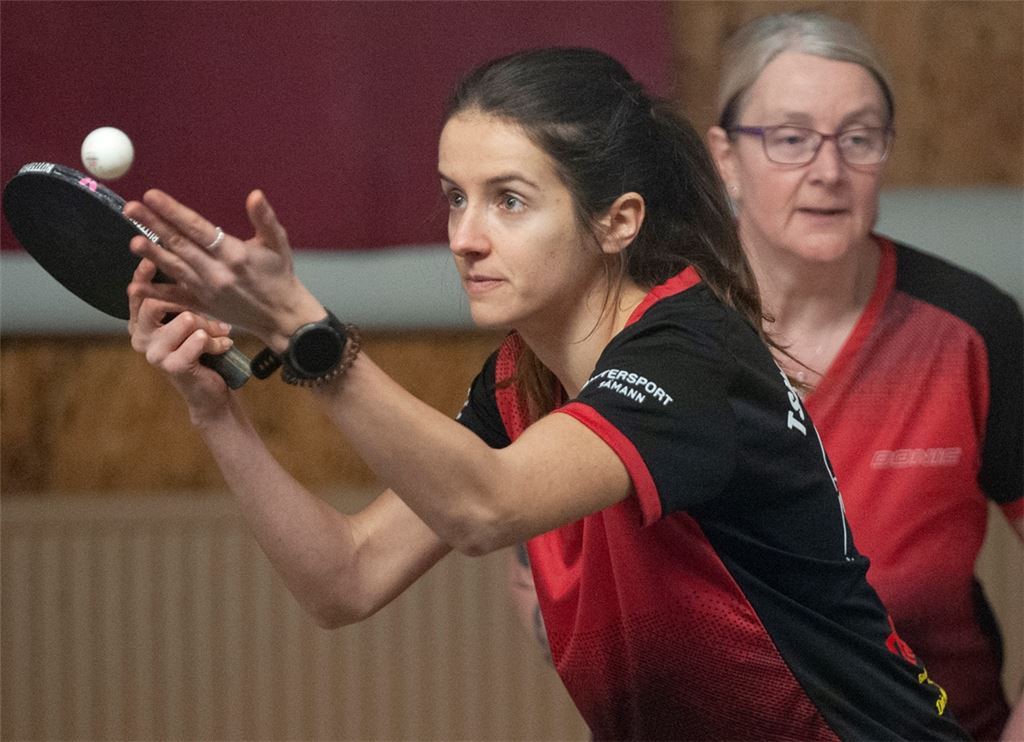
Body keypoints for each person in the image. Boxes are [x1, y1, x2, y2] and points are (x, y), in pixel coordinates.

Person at [124, 47, 968, 740]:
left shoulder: (690, 355)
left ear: (617, 221)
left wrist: (303, 333)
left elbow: (486, 507)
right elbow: (346, 579)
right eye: (456, 198)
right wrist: (215, 412)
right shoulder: (517, 380)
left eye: (509, 201)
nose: (464, 237)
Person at [701, 11, 1023, 741]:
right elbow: (548, 571)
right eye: (790, 139)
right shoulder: (656, 332)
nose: (828, 171)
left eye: (859, 137)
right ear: (726, 158)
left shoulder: (969, 329)